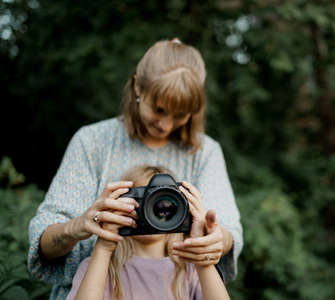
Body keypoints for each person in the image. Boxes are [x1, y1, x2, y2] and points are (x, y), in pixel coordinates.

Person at [28, 39, 242, 300]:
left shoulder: (204, 152)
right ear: (137, 85)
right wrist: (80, 226)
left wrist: (213, 241)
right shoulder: (93, 141)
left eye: (180, 114)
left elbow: (228, 231)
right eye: (159, 109)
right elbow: (43, 242)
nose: (165, 125)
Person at [66, 165, 230, 300]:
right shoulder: (100, 267)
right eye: (143, 200)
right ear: (119, 205)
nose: (154, 210)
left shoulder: (191, 270)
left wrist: (201, 257)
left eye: (164, 202)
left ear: (182, 208)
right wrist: (104, 246)